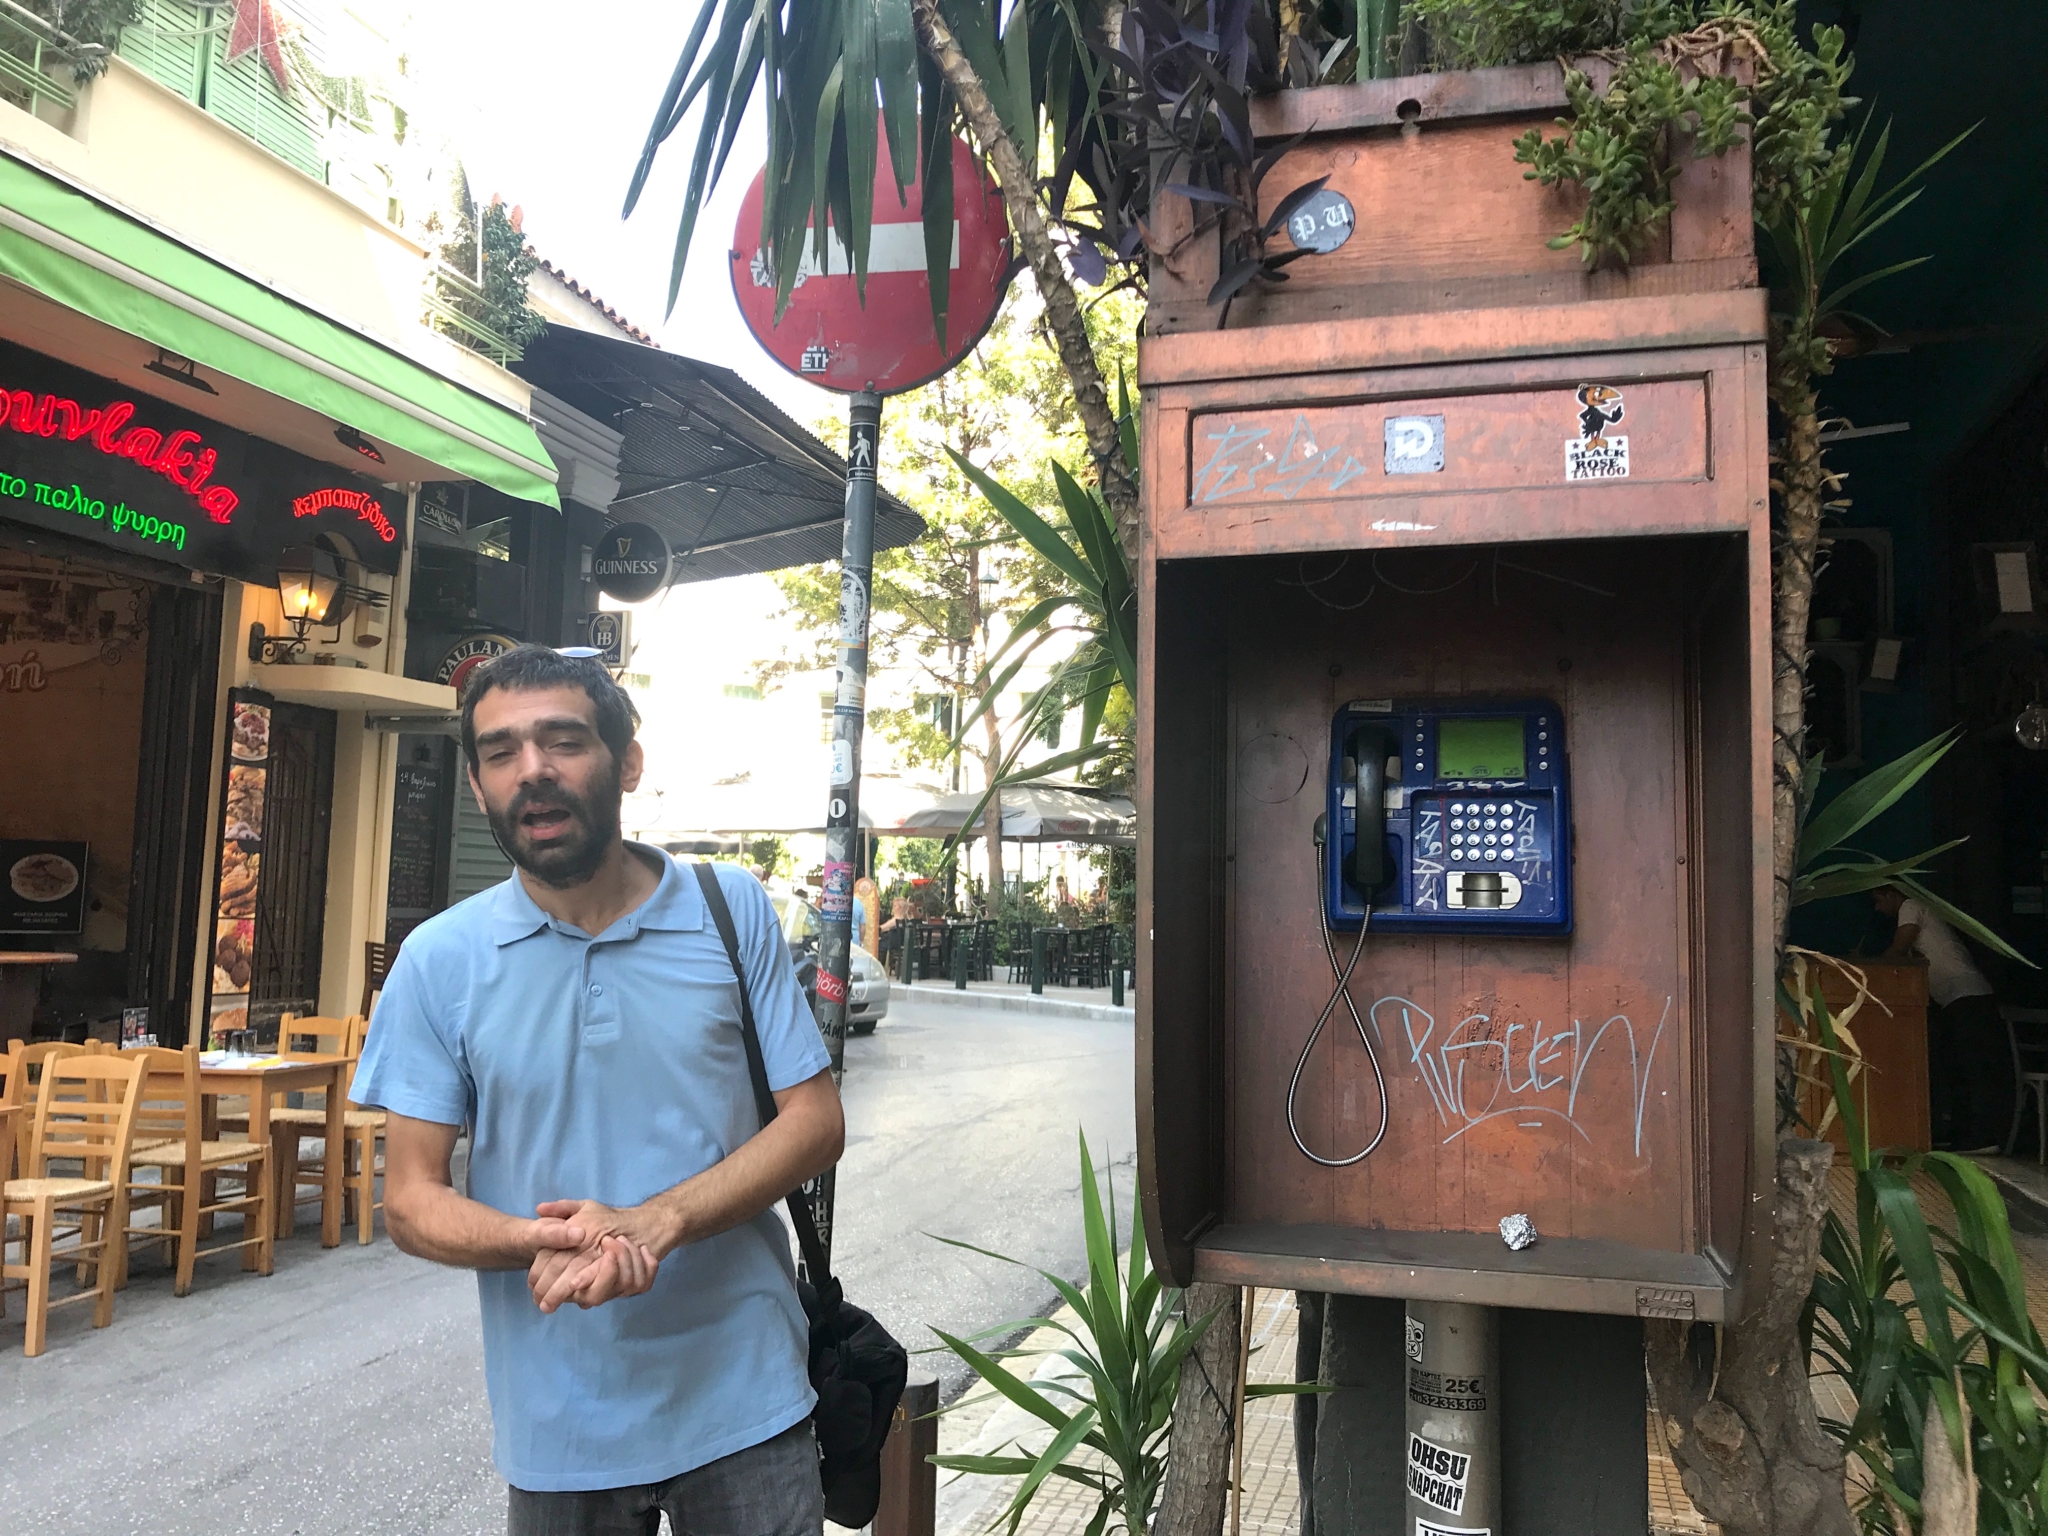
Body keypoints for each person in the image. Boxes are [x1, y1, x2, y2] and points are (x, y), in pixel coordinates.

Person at [352, 645, 844, 1536]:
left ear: (627, 762)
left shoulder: (730, 909)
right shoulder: (438, 959)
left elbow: (813, 1125)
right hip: (558, 1429)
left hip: (747, 1403)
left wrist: (652, 1222)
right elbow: (412, 1201)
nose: (532, 770)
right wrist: (542, 1239)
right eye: (500, 752)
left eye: (562, 741)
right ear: (477, 785)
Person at [1874, 884, 2013, 1152]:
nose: (1878, 909)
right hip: (1957, 999)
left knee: (1971, 1068)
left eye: (1878, 900)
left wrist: (1868, 966)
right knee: (1959, 1067)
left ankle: (1983, 1138)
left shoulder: (1911, 906)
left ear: (1892, 894)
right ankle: (1965, 1135)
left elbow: (1898, 950)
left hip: (1966, 997)